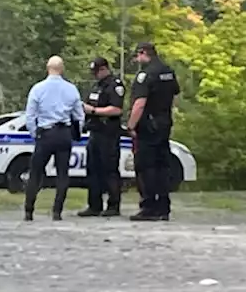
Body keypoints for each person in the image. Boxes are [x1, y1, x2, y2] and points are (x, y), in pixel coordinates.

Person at [22, 56, 84, 221]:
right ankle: (57, 211)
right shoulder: (71, 89)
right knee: (62, 173)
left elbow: (30, 116)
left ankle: (29, 210)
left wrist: (35, 134)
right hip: (63, 133)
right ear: (62, 69)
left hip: (46, 133)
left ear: (47, 68)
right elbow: (79, 115)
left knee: (35, 172)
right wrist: (75, 133)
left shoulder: (38, 89)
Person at [127, 41, 179, 222]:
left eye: (138, 56)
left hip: (148, 126)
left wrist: (131, 125)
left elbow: (140, 103)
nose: (137, 60)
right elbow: (174, 96)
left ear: (143, 53)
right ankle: (163, 207)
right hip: (164, 123)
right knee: (162, 165)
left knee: (146, 166)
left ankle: (148, 206)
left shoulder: (146, 74)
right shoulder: (168, 71)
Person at [77, 57, 126, 218]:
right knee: (92, 169)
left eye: (97, 71)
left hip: (109, 133)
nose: (95, 75)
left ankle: (113, 205)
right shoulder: (96, 86)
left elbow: (116, 109)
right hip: (95, 132)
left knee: (109, 169)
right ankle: (94, 205)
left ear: (105, 69)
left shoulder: (115, 85)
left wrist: (93, 111)